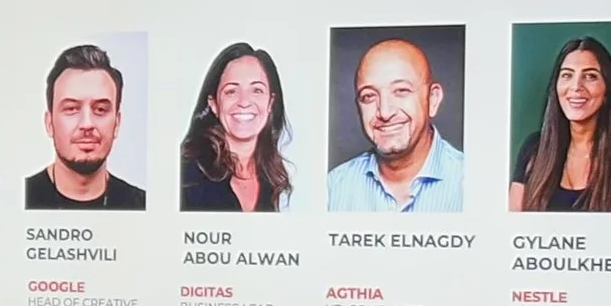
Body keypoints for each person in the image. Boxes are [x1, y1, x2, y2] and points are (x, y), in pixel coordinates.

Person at [326, 37, 466, 212]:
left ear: (433, 99)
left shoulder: (473, 182)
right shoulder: (333, 188)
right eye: (369, 96)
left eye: (401, 91)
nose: (385, 112)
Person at [24, 44, 145, 210]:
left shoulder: (141, 205)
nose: (87, 124)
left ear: (117, 123)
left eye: (100, 110)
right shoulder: (20, 198)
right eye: (71, 109)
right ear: (49, 123)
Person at [178, 42, 294, 213]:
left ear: (270, 103)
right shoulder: (185, 174)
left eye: (256, 90)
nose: (244, 102)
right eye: (231, 91)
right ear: (214, 104)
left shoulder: (270, 178)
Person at [510, 34, 611, 212]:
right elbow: (512, 224)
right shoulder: (534, 148)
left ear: (607, 90)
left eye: (590, 76)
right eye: (567, 75)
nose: (576, 86)